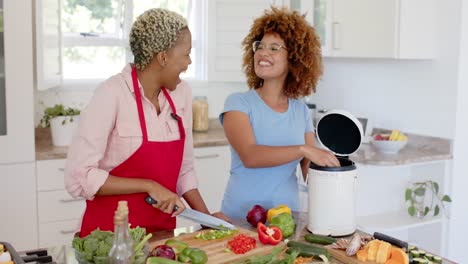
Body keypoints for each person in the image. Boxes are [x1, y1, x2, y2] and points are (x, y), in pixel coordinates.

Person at [65, 8, 229, 237]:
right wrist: (148, 185)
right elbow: (79, 177)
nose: (189, 62)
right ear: (163, 58)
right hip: (108, 238)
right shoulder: (111, 95)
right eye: (186, 54)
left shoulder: (182, 94)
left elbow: (184, 170)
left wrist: (206, 218)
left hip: (161, 236)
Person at [219, 7, 341, 220]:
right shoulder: (238, 103)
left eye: (274, 48)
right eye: (260, 46)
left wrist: (336, 172)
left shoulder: (300, 110)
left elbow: (308, 170)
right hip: (241, 219)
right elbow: (251, 156)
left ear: (294, 58)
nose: (263, 53)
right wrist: (304, 149)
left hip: (286, 219)